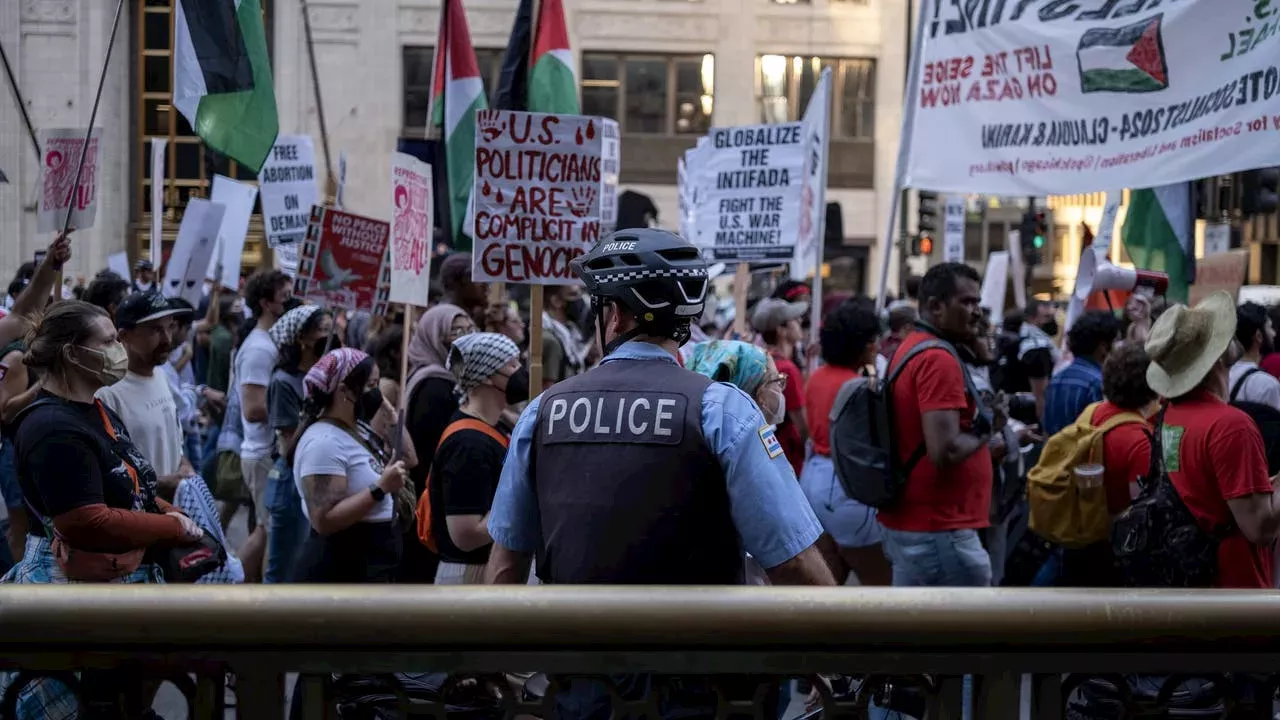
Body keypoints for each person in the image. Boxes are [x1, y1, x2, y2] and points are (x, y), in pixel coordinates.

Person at [485, 228, 832, 719]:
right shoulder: (723, 409)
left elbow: (505, 568)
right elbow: (793, 563)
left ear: (617, 314)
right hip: (703, 685)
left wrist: (492, 668)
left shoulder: (543, 410)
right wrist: (847, 651)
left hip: (582, 683)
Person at [1144, 292, 1280, 588]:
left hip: (1194, 588)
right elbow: (1260, 527)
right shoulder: (1231, 426)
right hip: (1234, 596)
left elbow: (1208, 494)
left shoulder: (1168, 415)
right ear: (1216, 356)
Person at [879, 262, 997, 587]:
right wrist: (989, 427)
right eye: (967, 302)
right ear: (935, 307)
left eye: (978, 302)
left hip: (925, 526)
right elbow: (944, 450)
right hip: (939, 530)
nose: (976, 312)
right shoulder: (937, 359)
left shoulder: (917, 346)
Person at [796, 300, 893, 586]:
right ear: (862, 344)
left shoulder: (816, 378)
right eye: (873, 341)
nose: (876, 347)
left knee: (828, 586)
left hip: (812, 482)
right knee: (882, 590)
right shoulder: (858, 387)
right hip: (846, 488)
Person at [292, 348, 409, 583]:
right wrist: (380, 488)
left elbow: (409, 456)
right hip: (344, 565)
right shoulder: (323, 443)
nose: (375, 393)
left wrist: (389, 411)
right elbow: (323, 521)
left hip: (372, 561)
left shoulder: (358, 428)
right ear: (344, 390)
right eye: (370, 385)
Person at [429, 333, 524, 584]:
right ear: (489, 375)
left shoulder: (494, 425)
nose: (521, 371)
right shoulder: (468, 444)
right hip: (470, 576)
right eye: (512, 365)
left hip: (487, 568)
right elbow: (466, 535)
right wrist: (523, 505)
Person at [95, 292, 192, 500]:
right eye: (155, 330)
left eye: (170, 327)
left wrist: (184, 467)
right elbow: (107, 473)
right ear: (124, 335)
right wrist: (158, 485)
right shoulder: (107, 393)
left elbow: (173, 442)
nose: (167, 339)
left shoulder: (162, 376)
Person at [264, 305, 332, 583]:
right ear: (302, 339)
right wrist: (313, 410)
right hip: (291, 483)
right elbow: (288, 447)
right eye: (323, 332)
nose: (329, 338)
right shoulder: (283, 382)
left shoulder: (326, 377)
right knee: (284, 567)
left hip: (318, 476)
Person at [236, 269, 292, 581]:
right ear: (266, 302)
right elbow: (253, 408)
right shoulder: (259, 348)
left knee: (264, 529)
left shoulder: (266, 342)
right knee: (269, 532)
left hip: (263, 453)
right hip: (261, 454)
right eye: (284, 296)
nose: (289, 301)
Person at [749, 298, 810, 475]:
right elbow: (802, 425)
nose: (800, 322)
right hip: (788, 456)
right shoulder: (786, 369)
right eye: (794, 320)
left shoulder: (758, 359)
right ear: (781, 330)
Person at [1041, 310, 1121, 436]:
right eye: (1116, 341)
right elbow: (1100, 435)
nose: (1119, 347)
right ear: (1103, 347)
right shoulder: (1097, 383)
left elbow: (1047, 430)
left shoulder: (1056, 379)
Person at [1228, 301, 1280, 409]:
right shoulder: (1267, 385)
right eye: (1270, 327)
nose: (1274, 334)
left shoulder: (1222, 376)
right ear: (1259, 336)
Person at [542, 285, 590, 390]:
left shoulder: (571, 332)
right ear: (556, 301)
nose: (580, 300)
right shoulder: (547, 338)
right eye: (573, 294)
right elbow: (546, 389)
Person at [438, 252, 488, 324]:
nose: (485, 285)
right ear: (462, 281)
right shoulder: (447, 319)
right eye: (478, 279)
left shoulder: (478, 317)